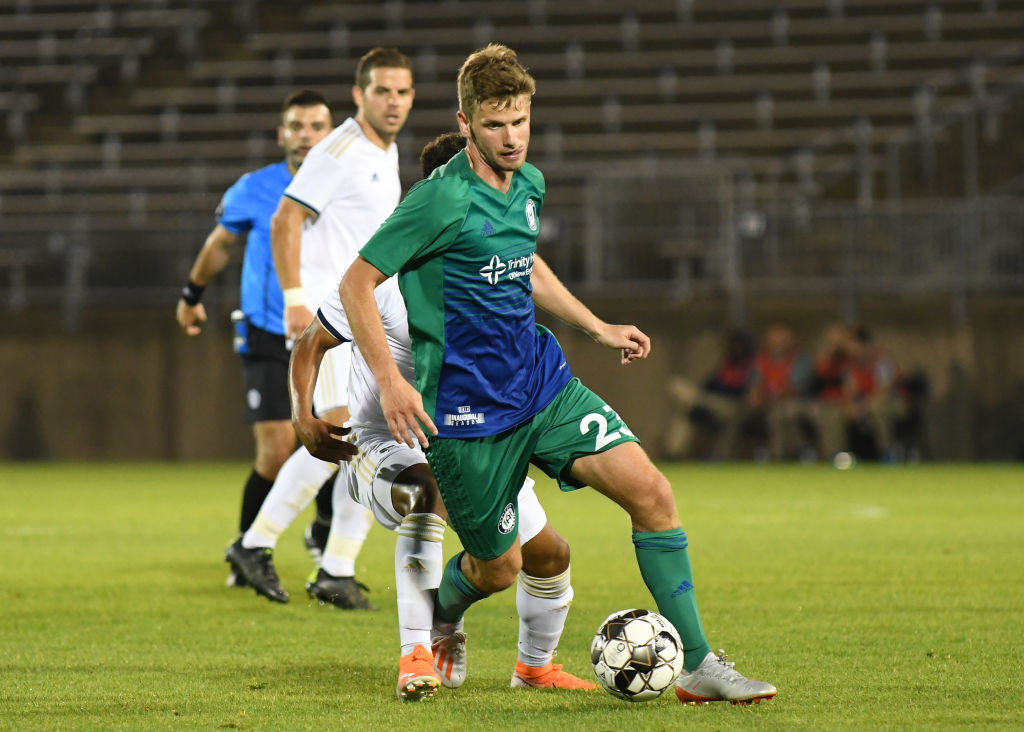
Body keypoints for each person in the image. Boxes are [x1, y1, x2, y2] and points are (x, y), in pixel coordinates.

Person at [338, 44, 776, 704]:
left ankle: (699, 665)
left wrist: (597, 326)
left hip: (542, 386)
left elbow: (528, 264)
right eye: (494, 124)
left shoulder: (531, 186)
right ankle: (441, 616)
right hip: (466, 415)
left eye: (519, 121)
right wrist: (392, 381)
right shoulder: (439, 202)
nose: (511, 138)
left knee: (652, 493)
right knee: (498, 568)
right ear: (465, 123)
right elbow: (355, 283)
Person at [288, 129, 594, 700]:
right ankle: (415, 654)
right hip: (387, 445)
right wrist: (304, 418)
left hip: (472, 435)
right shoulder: (380, 278)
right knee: (425, 493)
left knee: (543, 556)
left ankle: (533, 666)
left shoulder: (489, 269)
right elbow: (310, 343)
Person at [225, 48, 415, 609]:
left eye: (403, 92)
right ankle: (255, 543)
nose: (395, 102)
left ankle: (335, 567)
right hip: (328, 315)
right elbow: (286, 218)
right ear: (359, 95)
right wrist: (294, 303)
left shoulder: (387, 149)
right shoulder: (341, 149)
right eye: (383, 91)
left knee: (369, 436)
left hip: (369, 319)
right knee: (338, 428)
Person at [175, 90, 336, 588]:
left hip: (331, 333)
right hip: (268, 329)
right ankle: (248, 551)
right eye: (296, 125)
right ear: (281, 133)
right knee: (276, 449)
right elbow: (220, 243)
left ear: (330, 133)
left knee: (339, 438)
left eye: (315, 125)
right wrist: (191, 293)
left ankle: (326, 534)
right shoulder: (255, 187)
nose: (305, 134)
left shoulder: (347, 185)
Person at [662, 330, 756, 460]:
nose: (736, 349)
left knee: (689, 398)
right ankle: (672, 455)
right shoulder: (726, 366)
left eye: (739, 346)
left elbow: (746, 394)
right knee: (682, 402)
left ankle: (694, 402)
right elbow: (708, 386)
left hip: (732, 406)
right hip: (711, 403)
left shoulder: (751, 367)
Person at [746, 322, 814, 461]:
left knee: (781, 413)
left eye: (782, 339)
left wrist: (768, 398)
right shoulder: (760, 359)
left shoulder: (800, 359)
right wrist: (755, 397)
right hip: (767, 404)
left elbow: (793, 389)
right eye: (774, 339)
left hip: (796, 403)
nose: (778, 343)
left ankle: (780, 456)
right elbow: (754, 384)